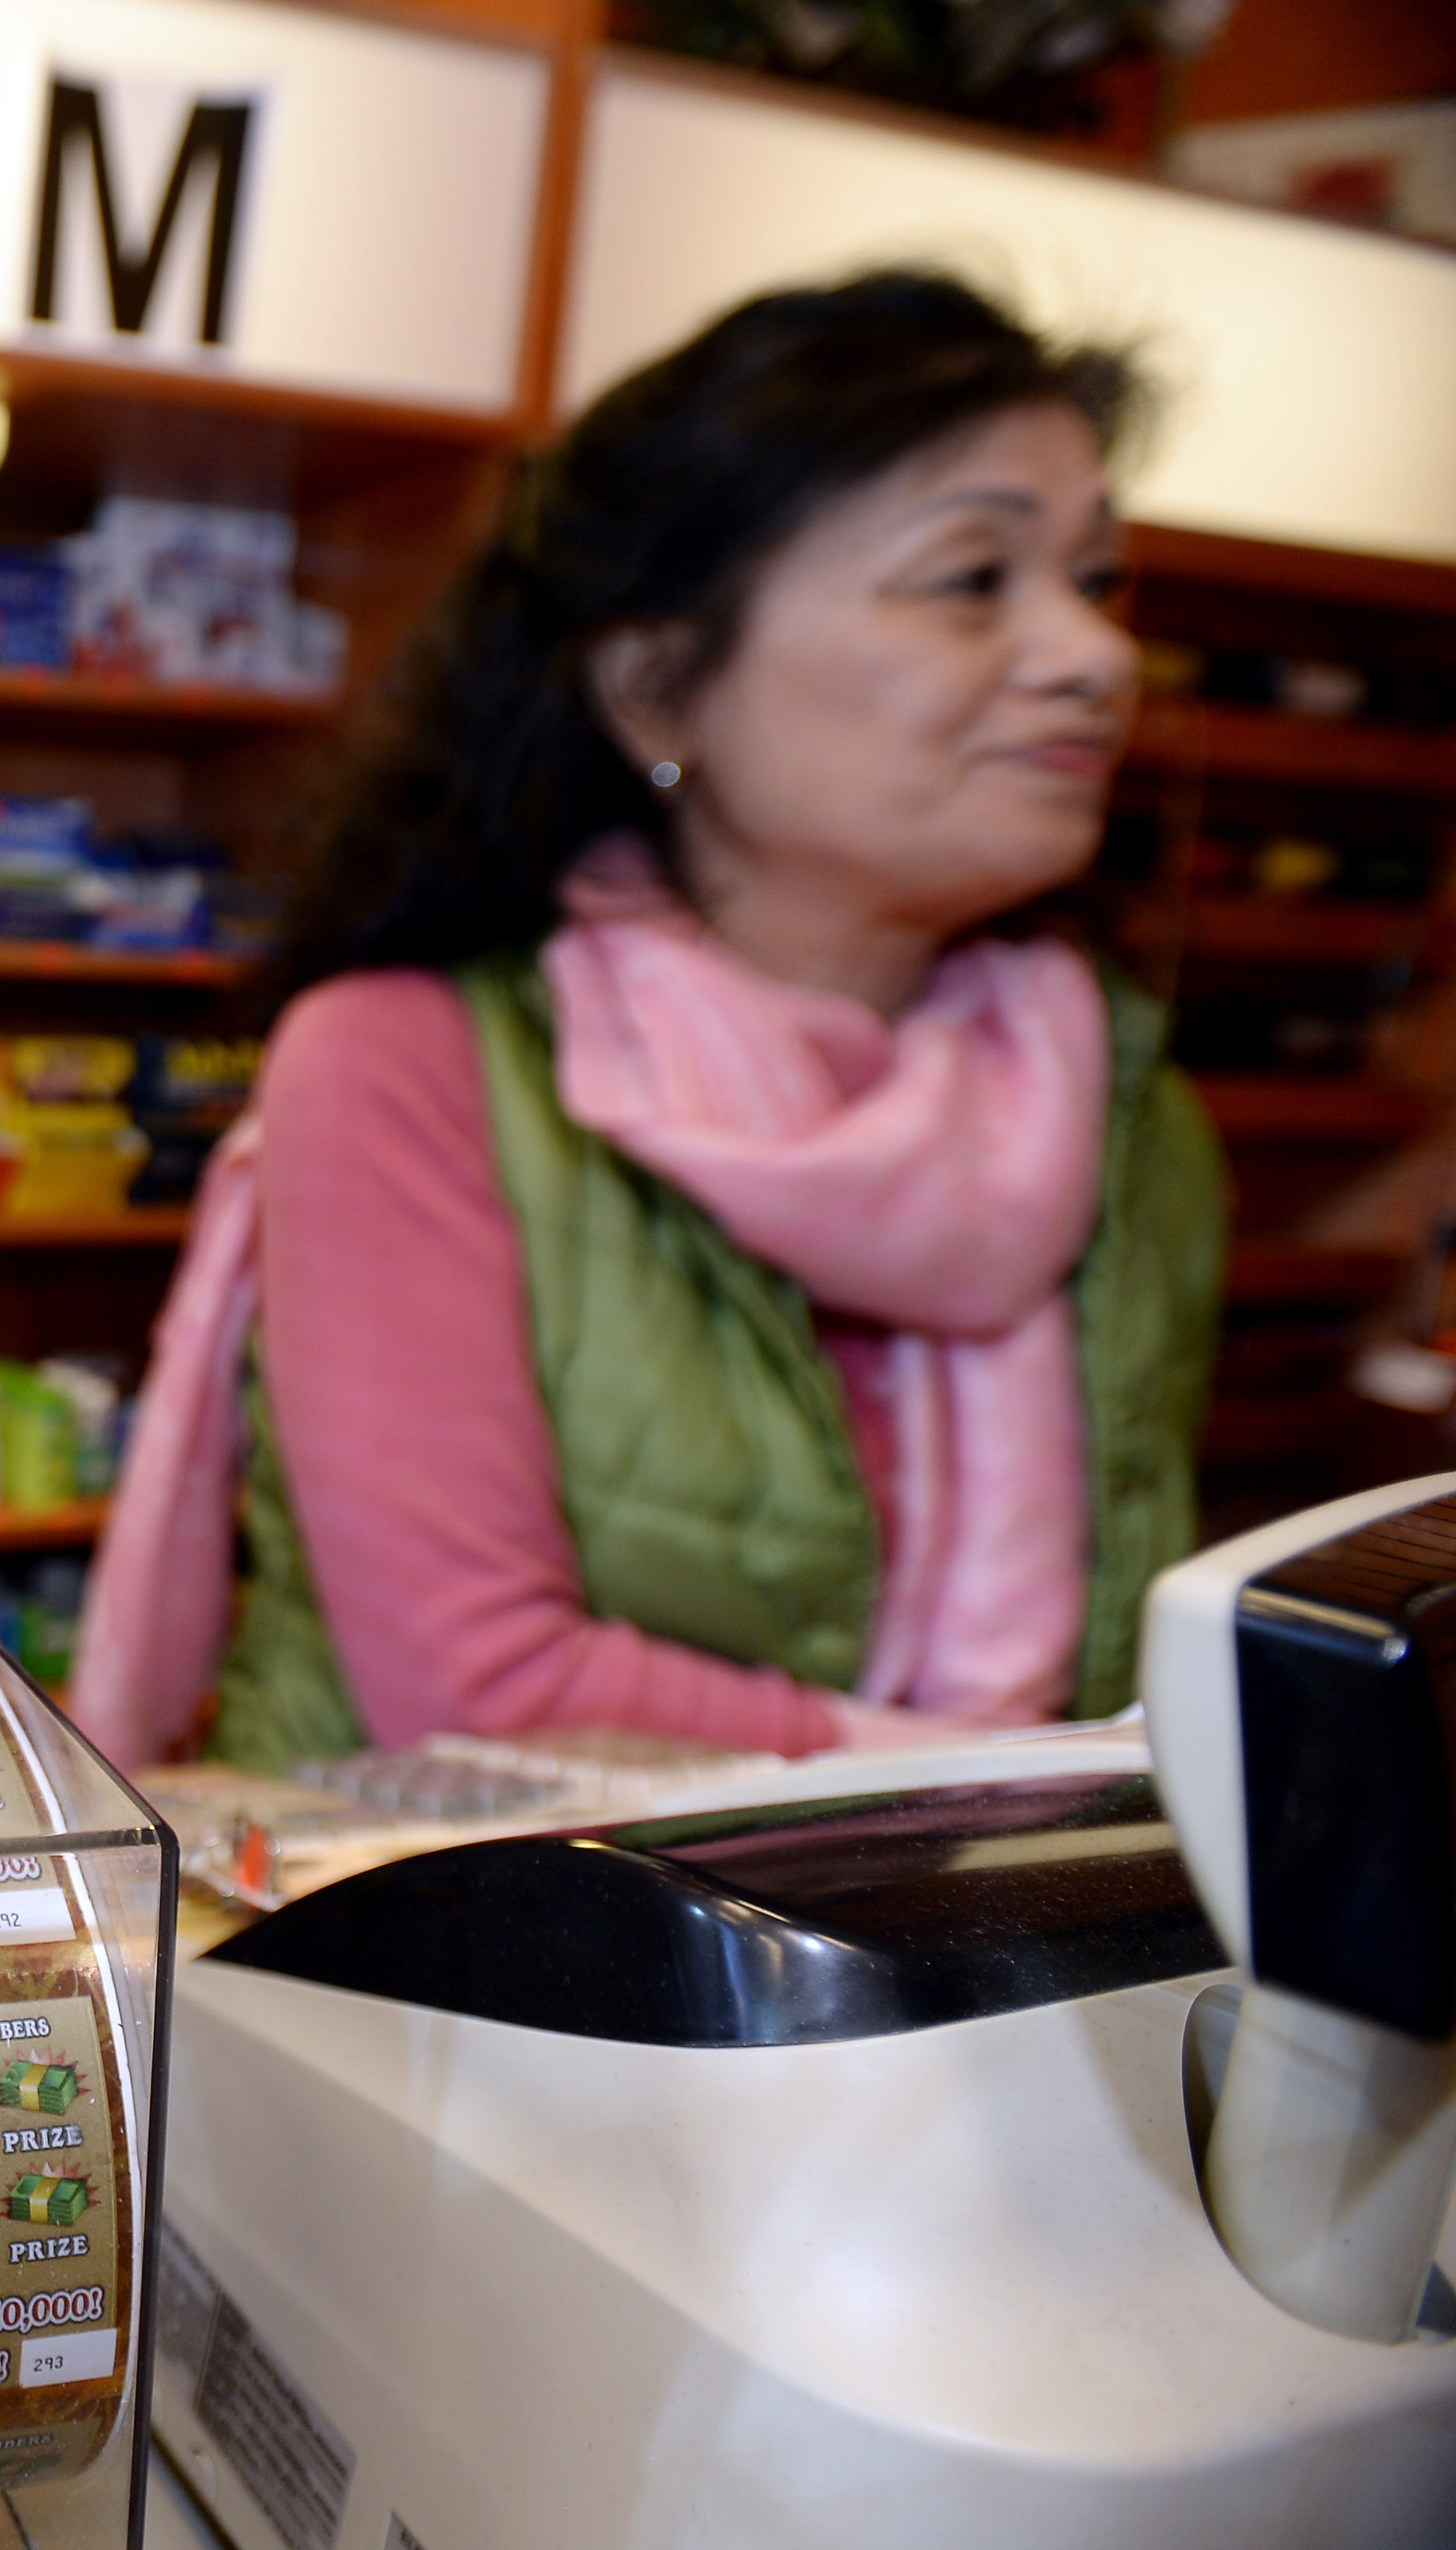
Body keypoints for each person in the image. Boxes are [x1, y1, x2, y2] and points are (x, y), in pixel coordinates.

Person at [69, 270, 1224, 1772]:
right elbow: (479, 1688)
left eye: (1097, 577)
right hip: (466, 1976)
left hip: (982, 1981)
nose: (1094, 658)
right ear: (657, 686)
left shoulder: (1125, 1115)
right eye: (972, 580)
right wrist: (1013, 1794)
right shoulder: (417, 1066)